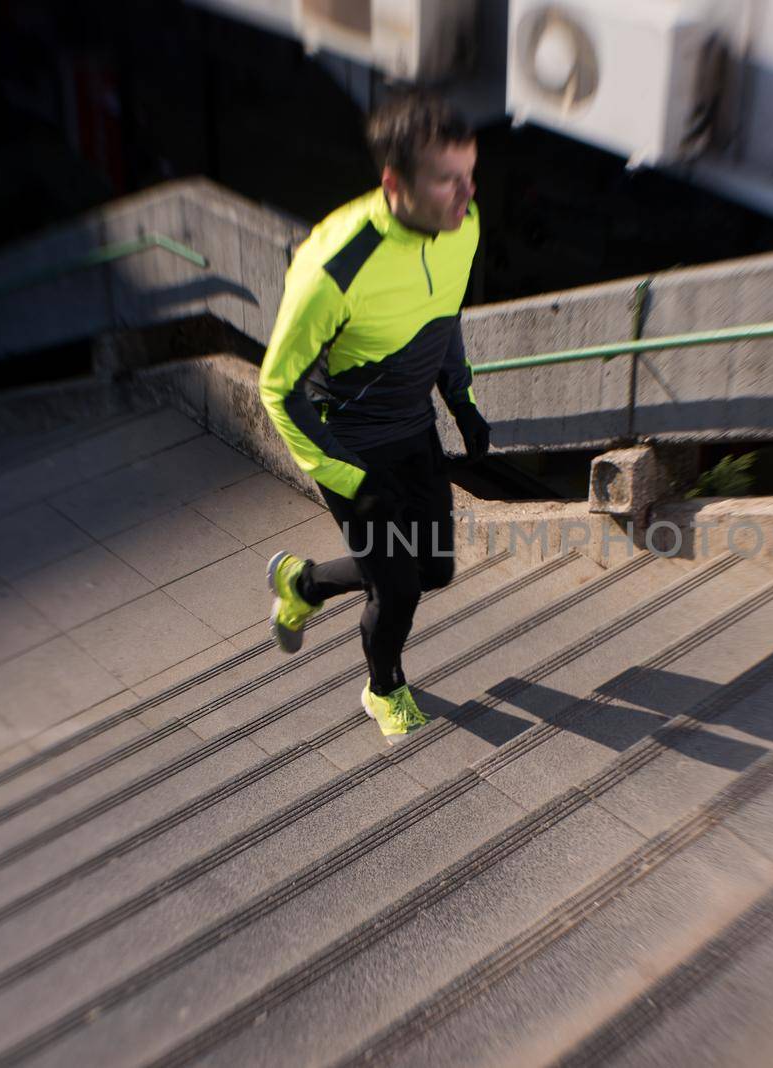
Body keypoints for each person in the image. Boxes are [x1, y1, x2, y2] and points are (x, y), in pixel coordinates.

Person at [257, 92, 490, 744]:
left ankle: (302, 580)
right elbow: (278, 391)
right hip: (348, 445)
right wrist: (349, 476)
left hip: (412, 428)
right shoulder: (331, 267)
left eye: (470, 175)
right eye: (447, 180)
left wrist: (463, 401)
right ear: (395, 183)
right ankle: (383, 687)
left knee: (434, 568)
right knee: (399, 590)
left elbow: (444, 320)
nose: (465, 195)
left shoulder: (461, 225)